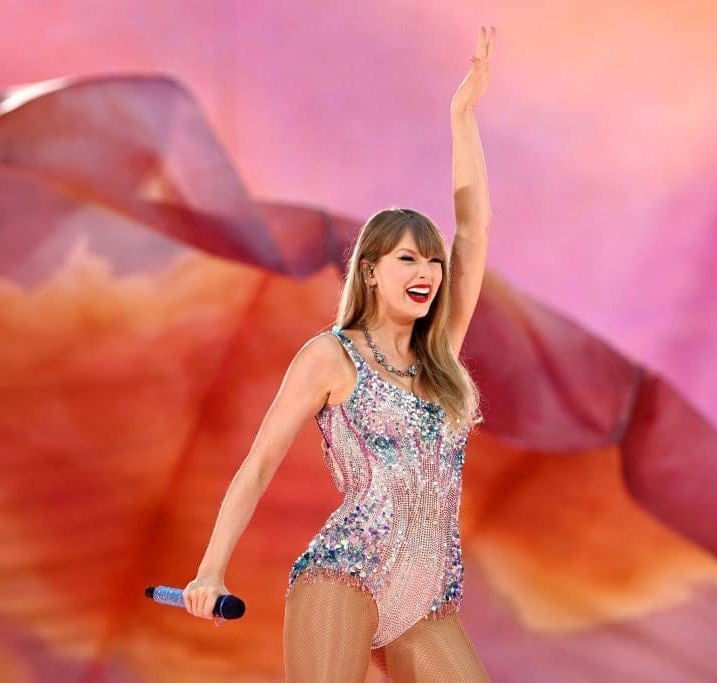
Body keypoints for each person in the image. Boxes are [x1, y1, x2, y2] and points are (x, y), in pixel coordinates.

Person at [183, 24, 496, 682]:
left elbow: (473, 228)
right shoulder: (331, 357)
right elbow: (259, 464)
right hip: (345, 573)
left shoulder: (440, 356)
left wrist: (462, 117)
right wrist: (211, 568)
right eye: (408, 258)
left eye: (433, 261)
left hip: (426, 598)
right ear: (372, 272)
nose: (428, 271)